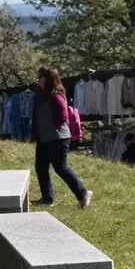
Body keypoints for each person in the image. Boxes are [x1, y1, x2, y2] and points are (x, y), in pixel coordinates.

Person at [31, 67, 93, 208]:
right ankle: (47, 199)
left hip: (58, 139)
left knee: (61, 168)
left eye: (40, 77)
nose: (38, 79)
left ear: (48, 79)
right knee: (41, 167)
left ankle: (83, 193)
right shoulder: (40, 95)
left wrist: (51, 130)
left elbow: (62, 116)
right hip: (43, 138)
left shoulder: (56, 95)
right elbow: (36, 117)